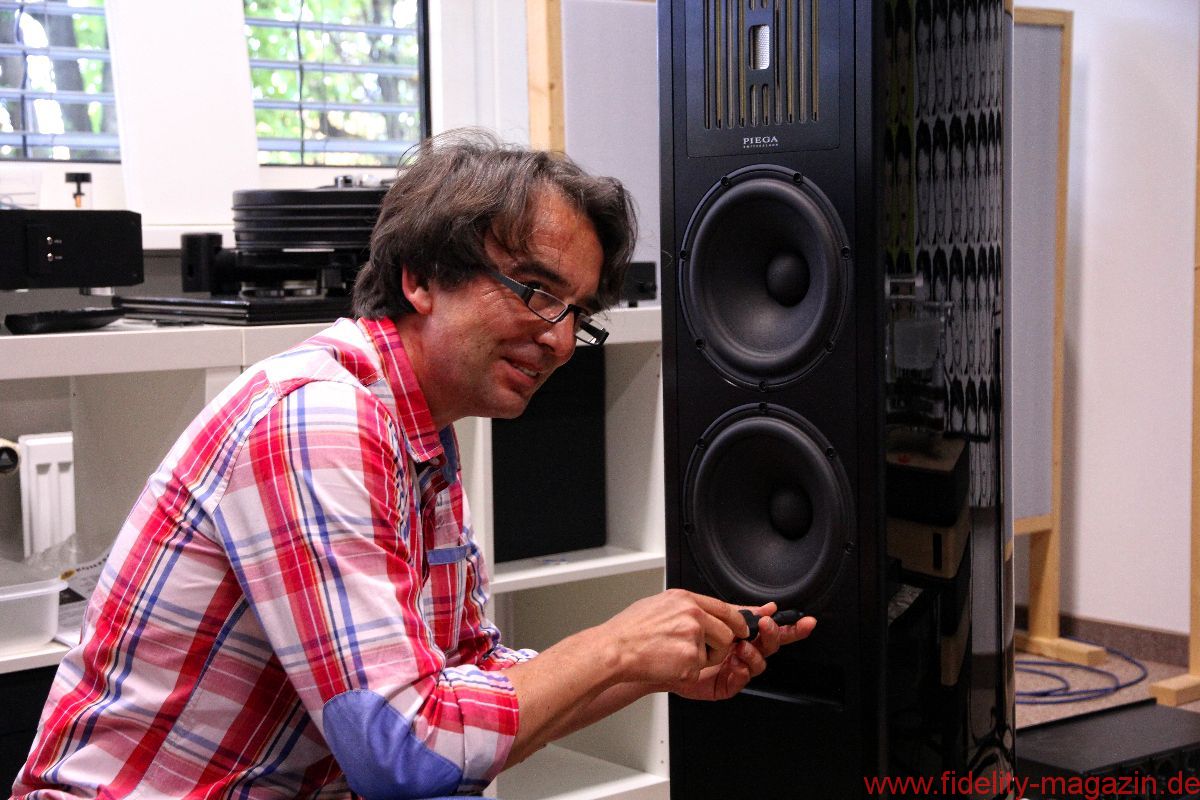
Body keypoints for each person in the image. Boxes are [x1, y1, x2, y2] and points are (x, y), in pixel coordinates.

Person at [11, 130, 816, 800]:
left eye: (577, 313)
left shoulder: (418, 430)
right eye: (535, 291)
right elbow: (406, 754)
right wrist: (617, 647)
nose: (562, 340)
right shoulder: (321, 419)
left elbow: (465, 680)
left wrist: (653, 668)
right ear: (421, 278)